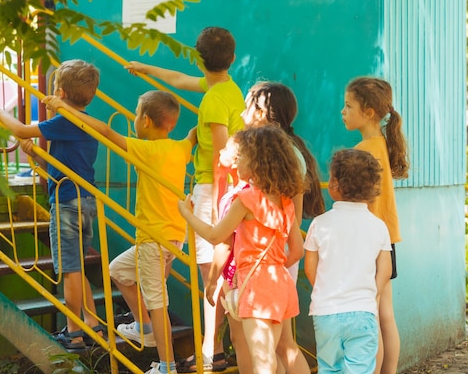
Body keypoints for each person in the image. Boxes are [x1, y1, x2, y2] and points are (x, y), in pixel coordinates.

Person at [44, 90, 196, 374]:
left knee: (158, 303)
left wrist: (64, 108)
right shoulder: (179, 149)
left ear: (147, 122)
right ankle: (144, 326)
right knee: (118, 270)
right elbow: (193, 135)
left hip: (154, 239)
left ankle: (167, 366)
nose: (134, 118)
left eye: (137, 114)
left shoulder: (146, 149)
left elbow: (103, 130)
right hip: (173, 235)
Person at [126, 26, 245, 372]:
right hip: (219, 188)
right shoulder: (229, 89)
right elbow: (178, 79)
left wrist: (221, 198)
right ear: (232, 59)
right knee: (218, 273)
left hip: (213, 189)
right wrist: (147, 69)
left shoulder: (212, 101)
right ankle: (216, 348)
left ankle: (214, 351)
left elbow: (221, 152)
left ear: (199, 57)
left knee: (213, 275)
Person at [0, 59, 103, 349]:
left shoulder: (66, 120)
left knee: (70, 270)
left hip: (67, 202)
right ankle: (93, 326)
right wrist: (36, 156)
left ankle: (74, 332)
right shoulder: (86, 122)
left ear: (59, 93)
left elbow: (22, 130)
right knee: (77, 269)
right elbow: (67, 165)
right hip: (84, 200)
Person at [208, 82, 324, 374]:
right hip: (278, 257)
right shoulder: (289, 152)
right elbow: (292, 219)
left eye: (247, 106)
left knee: (257, 348)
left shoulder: (262, 160)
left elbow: (223, 236)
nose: (243, 113)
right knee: (281, 345)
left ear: (261, 111)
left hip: (261, 263)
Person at [178, 125, 305, 374]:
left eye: (244, 156)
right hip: (280, 283)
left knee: (262, 360)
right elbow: (298, 251)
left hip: (255, 287)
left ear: (258, 162)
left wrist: (186, 214)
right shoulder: (285, 202)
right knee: (278, 352)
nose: (239, 161)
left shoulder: (245, 200)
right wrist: (273, 266)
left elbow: (216, 237)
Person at [341, 77, 409, 374]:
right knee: (385, 315)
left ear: (368, 112)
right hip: (385, 241)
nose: (342, 111)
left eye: (348, 105)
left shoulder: (363, 150)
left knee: (372, 316)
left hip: (367, 244)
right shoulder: (380, 144)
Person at [303, 149, 393, 374]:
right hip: (363, 311)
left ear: (334, 184)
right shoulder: (379, 226)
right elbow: (385, 270)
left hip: (326, 313)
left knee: (330, 368)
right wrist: (371, 293)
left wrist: (325, 291)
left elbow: (310, 268)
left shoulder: (319, 224)